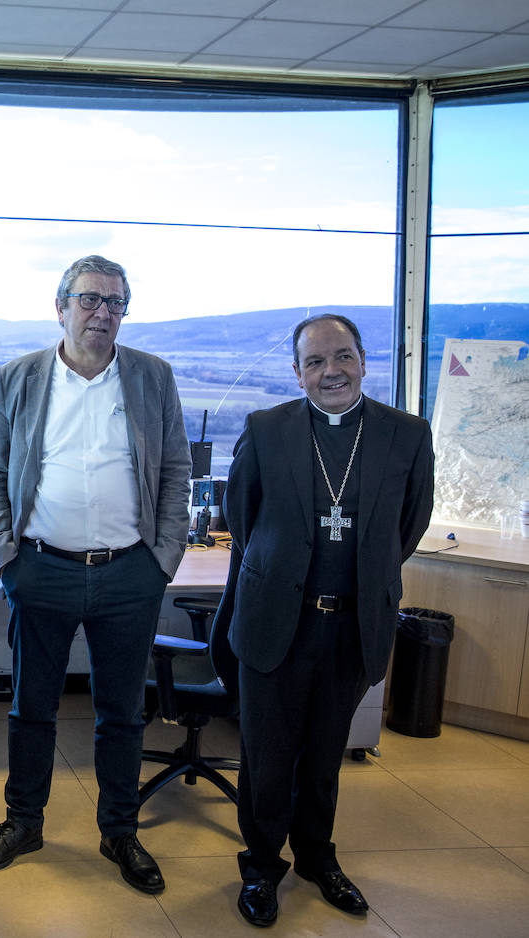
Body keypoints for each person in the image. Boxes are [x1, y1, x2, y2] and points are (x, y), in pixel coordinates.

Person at [0, 254, 191, 894]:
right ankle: (23, 821)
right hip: (41, 570)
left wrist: (162, 560)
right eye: (90, 299)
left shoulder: (152, 377)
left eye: (116, 303)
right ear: (60, 305)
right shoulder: (20, 378)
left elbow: (176, 471)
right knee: (30, 706)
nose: (103, 313)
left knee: (121, 712)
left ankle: (120, 829)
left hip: (130, 575)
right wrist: (8, 558)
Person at [219, 314, 434, 928]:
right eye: (315, 362)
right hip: (276, 620)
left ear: (364, 361)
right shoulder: (267, 430)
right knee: (267, 754)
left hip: (352, 624)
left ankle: (317, 857)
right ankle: (261, 867)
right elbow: (244, 516)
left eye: (342, 357)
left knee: (325, 753)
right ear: (298, 372)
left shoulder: (406, 435)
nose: (330, 371)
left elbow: (410, 525)